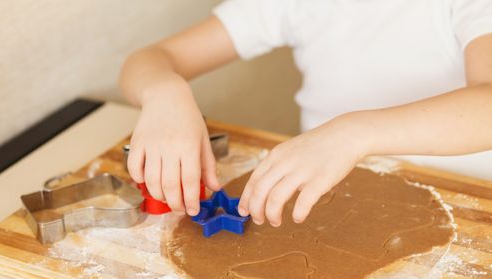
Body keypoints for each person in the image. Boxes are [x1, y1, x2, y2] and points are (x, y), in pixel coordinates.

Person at [119, 0, 492, 228]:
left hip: (469, 202)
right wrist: (165, 91)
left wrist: (354, 133)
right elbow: (148, 60)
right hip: (334, 199)